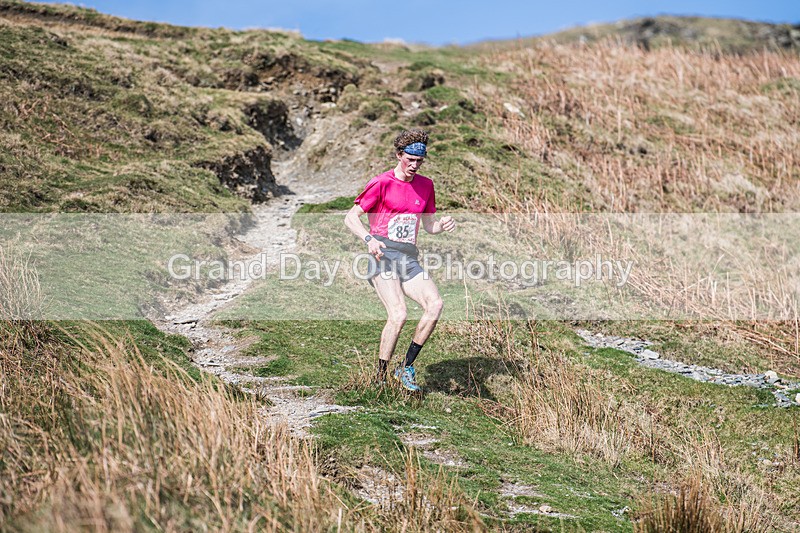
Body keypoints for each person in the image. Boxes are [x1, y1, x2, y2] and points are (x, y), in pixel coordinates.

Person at [345, 129, 456, 392]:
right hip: (382, 255)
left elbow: (428, 225)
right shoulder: (381, 183)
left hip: (407, 257)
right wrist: (369, 239)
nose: (415, 166)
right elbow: (351, 217)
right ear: (399, 155)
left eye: (420, 161)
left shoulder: (426, 185)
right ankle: (380, 379)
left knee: (435, 304)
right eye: (410, 160)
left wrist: (442, 225)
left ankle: (405, 367)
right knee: (399, 314)